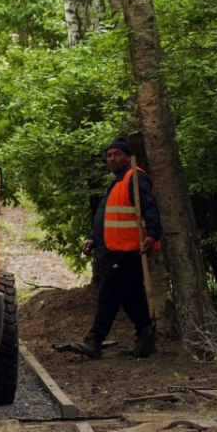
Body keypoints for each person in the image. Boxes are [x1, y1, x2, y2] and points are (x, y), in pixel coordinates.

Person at [71, 136, 162, 360]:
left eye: (117, 154)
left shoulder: (135, 178)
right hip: (115, 248)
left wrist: (152, 234)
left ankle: (94, 341)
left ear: (128, 157)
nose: (112, 159)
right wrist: (93, 237)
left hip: (128, 249)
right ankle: (145, 338)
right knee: (131, 297)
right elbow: (106, 215)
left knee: (108, 295)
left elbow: (150, 207)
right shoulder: (117, 182)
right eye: (109, 155)